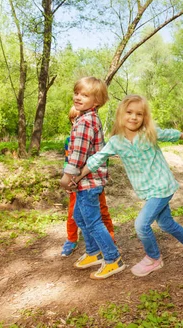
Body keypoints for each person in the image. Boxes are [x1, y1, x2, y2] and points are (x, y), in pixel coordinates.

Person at [74, 95, 183, 277]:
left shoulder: (149, 133)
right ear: (121, 115)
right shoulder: (116, 142)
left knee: (141, 225)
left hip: (162, 186)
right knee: (166, 223)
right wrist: (76, 177)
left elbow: (169, 134)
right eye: (129, 112)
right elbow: (96, 159)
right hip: (147, 190)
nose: (133, 117)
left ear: (144, 117)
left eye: (139, 114)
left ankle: (154, 259)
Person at [59, 77, 124, 279]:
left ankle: (113, 259)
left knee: (93, 221)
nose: (78, 97)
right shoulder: (85, 118)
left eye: (84, 95)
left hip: (88, 182)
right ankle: (93, 252)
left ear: (96, 102)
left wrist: (67, 176)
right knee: (79, 217)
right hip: (84, 182)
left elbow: (78, 154)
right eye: (77, 93)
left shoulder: (86, 122)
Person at [61, 106, 115, 257]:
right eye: (73, 119)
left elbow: (99, 157)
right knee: (76, 214)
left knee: (99, 214)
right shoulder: (70, 139)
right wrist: (68, 180)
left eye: (77, 117)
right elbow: (68, 161)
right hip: (76, 182)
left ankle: (110, 247)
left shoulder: (88, 125)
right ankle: (79, 243)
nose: (75, 121)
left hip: (90, 182)